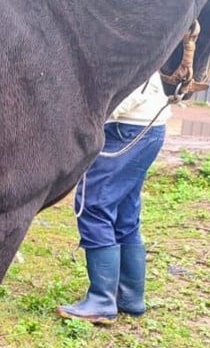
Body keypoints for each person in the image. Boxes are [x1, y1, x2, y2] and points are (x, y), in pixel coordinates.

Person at [57, 72, 171, 325]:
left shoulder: (129, 34)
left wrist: (92, 116)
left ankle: (101, 300)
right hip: (146, 126)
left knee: (94, 205)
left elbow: (132, 87)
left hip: (127, 128)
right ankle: (129, 296)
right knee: (124, 211)